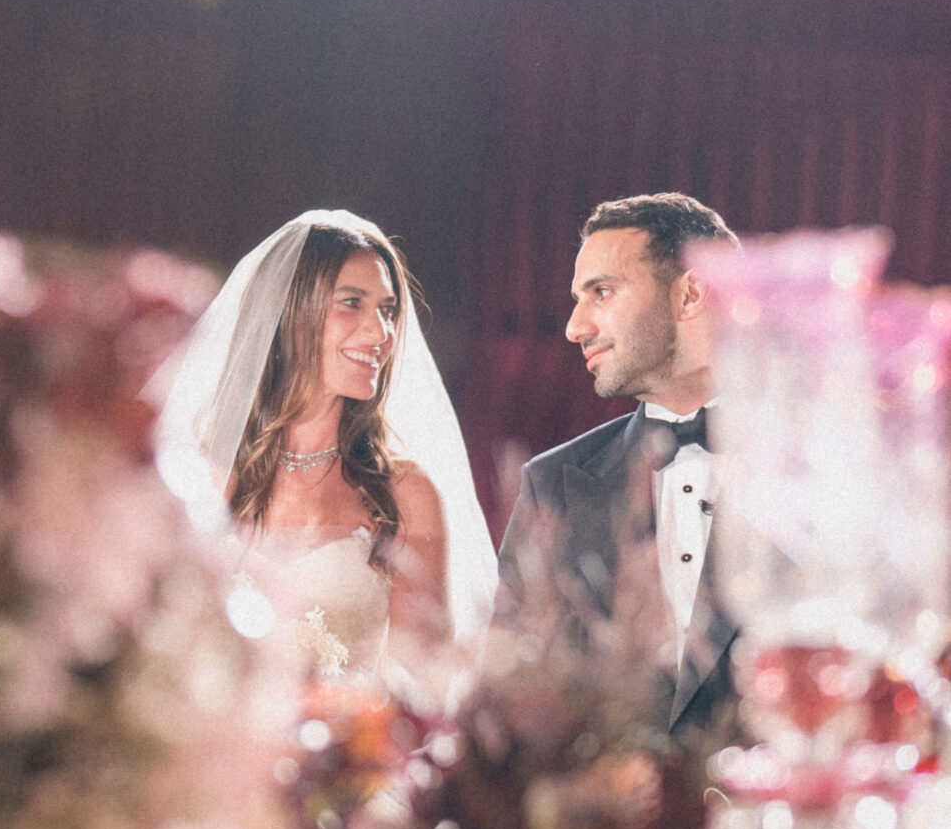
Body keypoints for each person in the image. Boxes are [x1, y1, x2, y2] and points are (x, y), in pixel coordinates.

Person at [153, 209, 497, 692]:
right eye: (352, 303)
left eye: (388, 310)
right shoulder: (202, 479)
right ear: (290, 312)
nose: (381, 333)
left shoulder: (405, 494)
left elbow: (422, 681)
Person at [497, 192, 739, 735]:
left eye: (601, 292)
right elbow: (512, 691)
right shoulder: (551, 483)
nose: (574, 327)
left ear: (691, 294)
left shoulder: (818, 470)